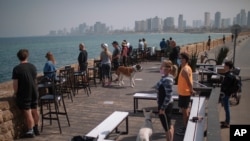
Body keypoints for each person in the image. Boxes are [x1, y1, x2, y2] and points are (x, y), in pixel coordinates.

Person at [12, 49, 40, 138]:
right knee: (35, 110)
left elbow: (15, 85)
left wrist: (15, 93)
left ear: (18, 57)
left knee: (28, 112)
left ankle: (30, 131)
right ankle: (36, 128)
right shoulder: (33, 67)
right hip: (34, 91)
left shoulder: (16, 69)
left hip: (24, 93)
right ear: (27, 56)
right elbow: (35, 80)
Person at [154, 60, 178, 141]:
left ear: (168, 69)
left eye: (162, 66)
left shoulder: (168, 80)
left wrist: (162, 108)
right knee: (168, 124)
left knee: (167, 127)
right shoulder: (165, 78)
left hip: (165, 106)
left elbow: (168, 95)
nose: (160, 68)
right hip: (164, 105)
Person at [176, 52, 195, 136]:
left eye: (181, 58)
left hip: (184, 93)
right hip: (182, 93)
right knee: (184, 111)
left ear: (185, 60)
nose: (179, 60)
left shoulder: (185, 69)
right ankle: (185, 126)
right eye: (179, 58)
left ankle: (186, 128)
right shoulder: (184, 67)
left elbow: (189, 82)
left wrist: (191, 90)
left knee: (185, 112)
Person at [220, 61, 234, 128]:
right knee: (226, 108)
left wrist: (222, 87)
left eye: (225, 65)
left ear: (228, 66)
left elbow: (225, 86)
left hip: (226, 94)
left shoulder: (229, 76)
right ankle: (226, 120)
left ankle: (227, 122)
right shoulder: (229, 74)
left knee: (227, 108)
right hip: (226, 93)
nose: (224, 66)